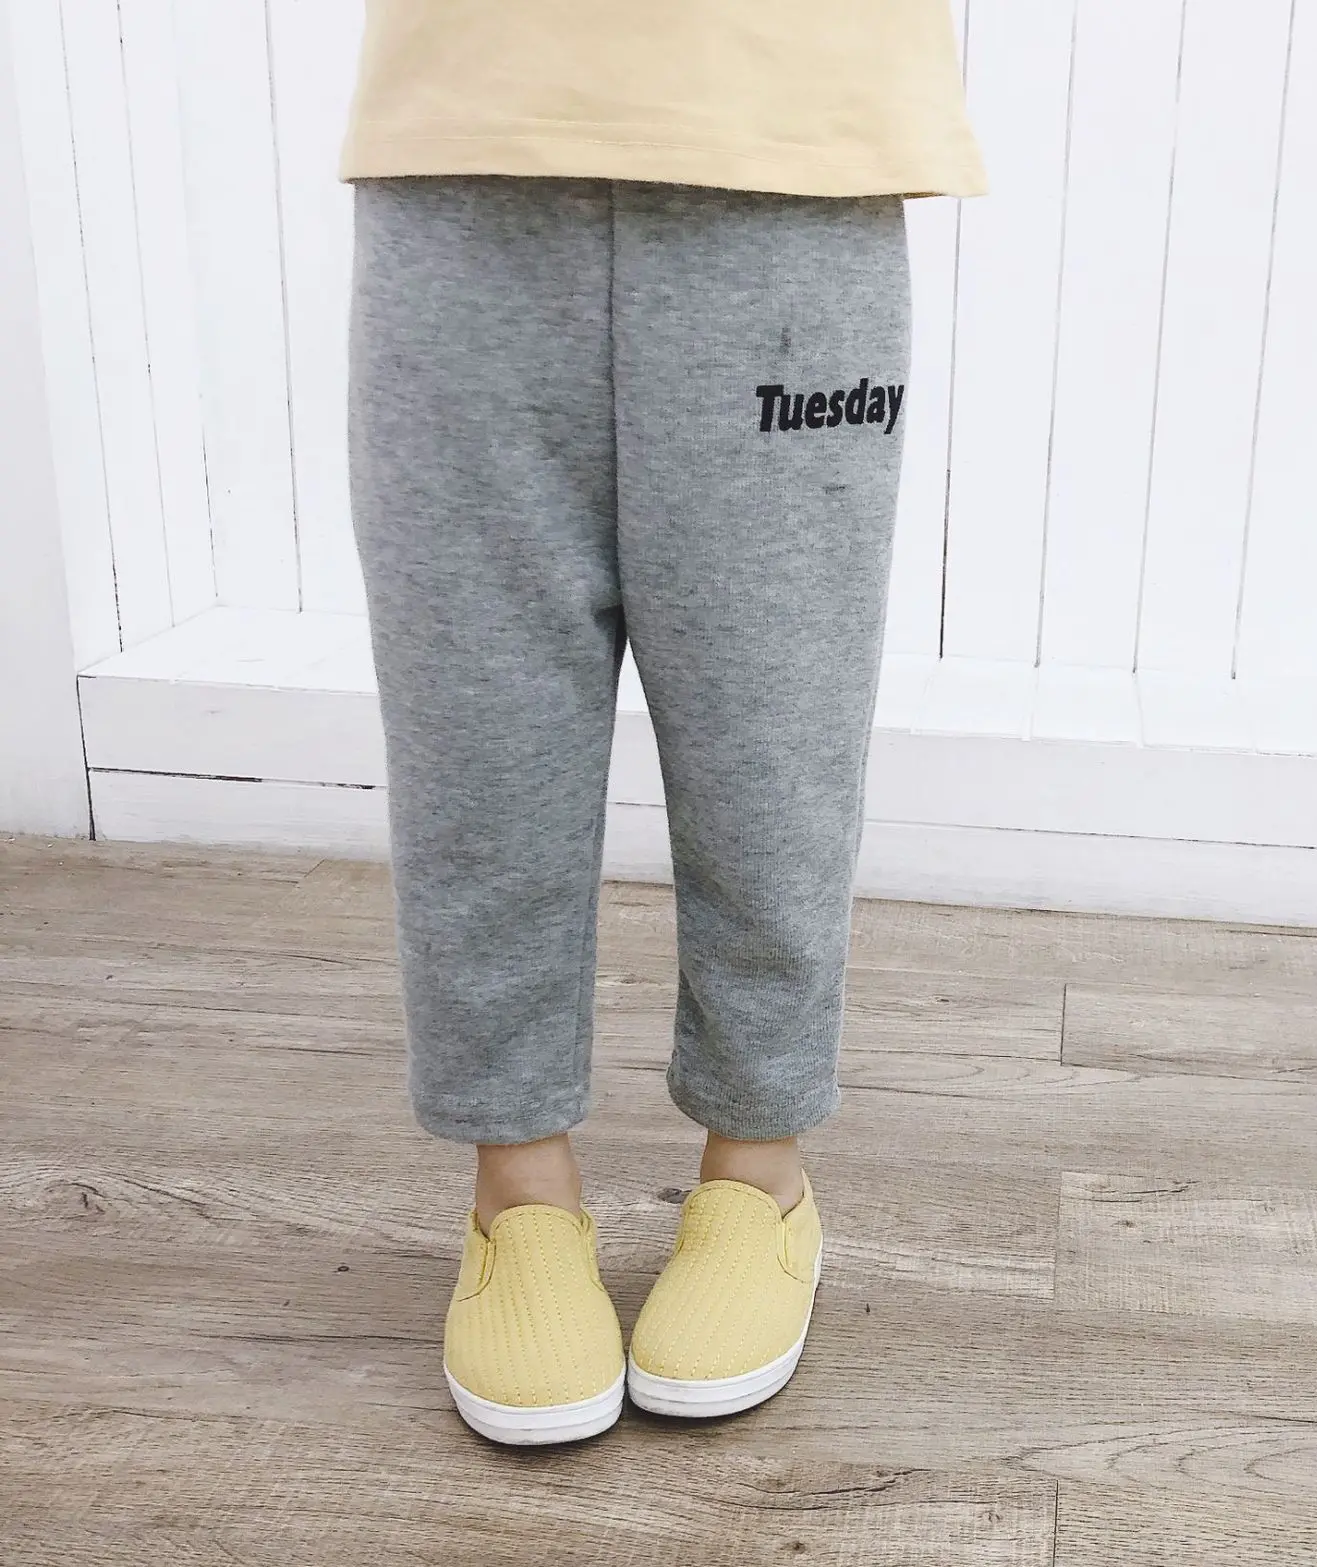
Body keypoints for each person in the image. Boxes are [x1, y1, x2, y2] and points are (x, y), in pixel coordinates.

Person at [339, 3, 985, 1444]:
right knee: (477, 728)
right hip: (467, 134)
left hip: (792, 141)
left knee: (773, 728)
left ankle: (761, 1176)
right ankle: (517, 1193)